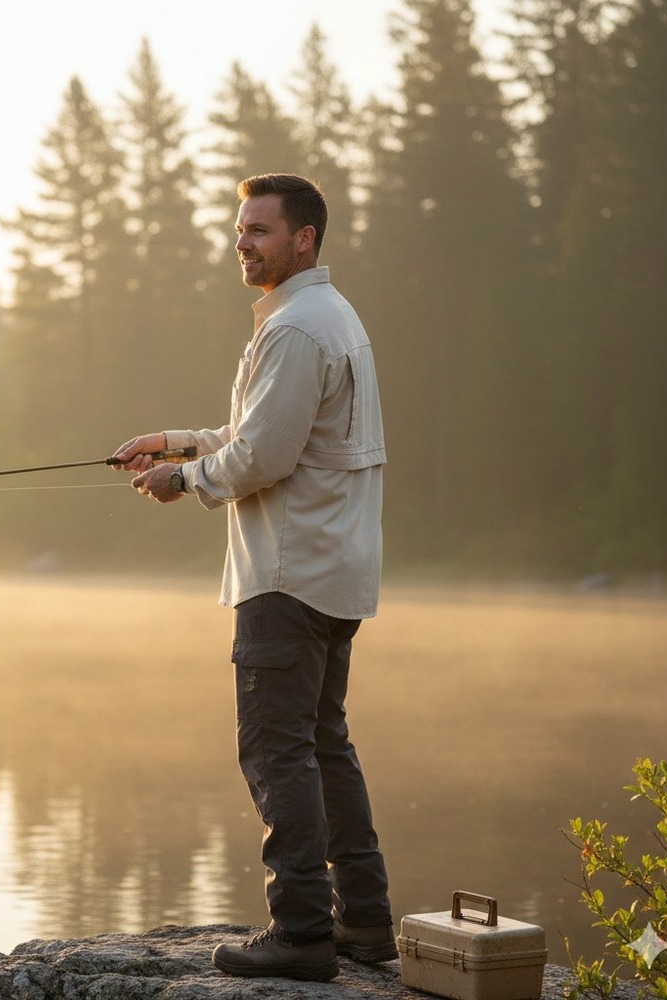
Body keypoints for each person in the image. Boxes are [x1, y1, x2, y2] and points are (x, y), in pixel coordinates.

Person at [112, 173, 395, 983]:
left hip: (290, 574)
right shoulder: (321, 318)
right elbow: (261, 432)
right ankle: (366, 923)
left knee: (278, 753)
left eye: (260, 231)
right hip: (331, 570)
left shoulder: (298, 329)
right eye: (241, 229)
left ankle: (303, 930)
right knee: (323, 744)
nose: (243, 242)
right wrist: (174, 440)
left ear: (303, 238)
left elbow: (263, 457)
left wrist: (184, 481)